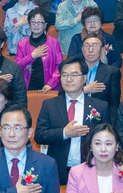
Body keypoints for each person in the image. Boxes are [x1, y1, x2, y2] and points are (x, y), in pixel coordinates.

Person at [34, 57, 112, 185]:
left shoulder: (100, 106)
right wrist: (64, 133)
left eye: (74, 75)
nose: (69, 79)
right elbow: (39, 136)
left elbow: (108, 139)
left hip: (90, 168)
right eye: (64, 75)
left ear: (84, 78)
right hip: (58, 170)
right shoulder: (49, 104)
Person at [14, 7, 63, 92]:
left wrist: (50, 84)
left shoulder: (54, 43)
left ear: (45, 25)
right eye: (33, 22)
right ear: (29, 24)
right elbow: (16, 67)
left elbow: (59, 66)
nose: (36, 25)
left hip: (49, 88)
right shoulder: (22, 44)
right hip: (28, 87)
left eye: (40, 22)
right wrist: (32, 56)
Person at [80, 34, 122, 110]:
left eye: (94, 46)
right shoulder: (73, 71)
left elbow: (114, 105)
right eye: (87, 46)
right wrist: (84, 90)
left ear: (102, 50)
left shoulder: (112, 72)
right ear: (82, 50)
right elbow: (62, 97)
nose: (90, 50)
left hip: (101, 118)